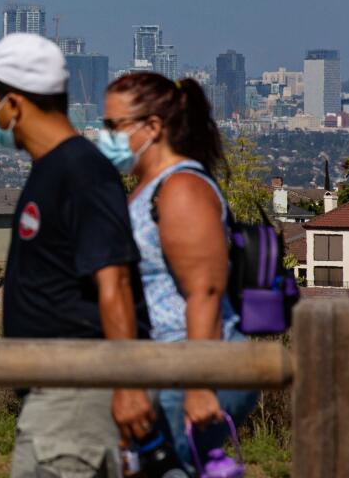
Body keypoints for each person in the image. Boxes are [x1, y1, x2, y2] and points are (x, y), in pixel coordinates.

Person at [0, 34, 155, 478]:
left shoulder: (81, 171)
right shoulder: (51, 170)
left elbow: (116, 282)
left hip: (76, 399)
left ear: (14, 102)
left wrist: (128, 386)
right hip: (50, 400)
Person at [100, 72, 259, 471]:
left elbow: (203, 290)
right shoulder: (147, 188)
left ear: (153, 127)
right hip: (162, 367)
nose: (106, 136)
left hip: (187, 366)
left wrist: (198, 383)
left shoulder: (181, 189)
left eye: (113, 126)